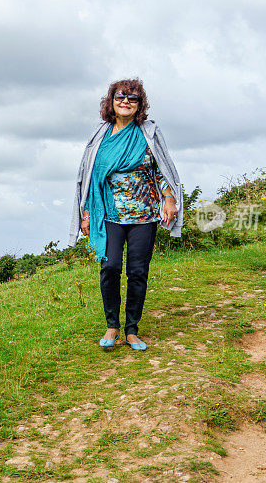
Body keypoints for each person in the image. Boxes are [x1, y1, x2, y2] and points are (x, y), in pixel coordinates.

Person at [69, 78, 183, 350]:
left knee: (138, 271)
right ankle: (112, 327)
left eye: (133, 98)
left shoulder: (149, 133)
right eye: (120, 96)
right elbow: (89, 177)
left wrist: (169, 198)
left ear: (140, 105)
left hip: (144, 214)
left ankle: (131, 330)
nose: (125, 102)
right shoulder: (100, 136)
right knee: (110, 268)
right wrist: (86, 214)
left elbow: (162, 170)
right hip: (108, 213)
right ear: (111, 101)